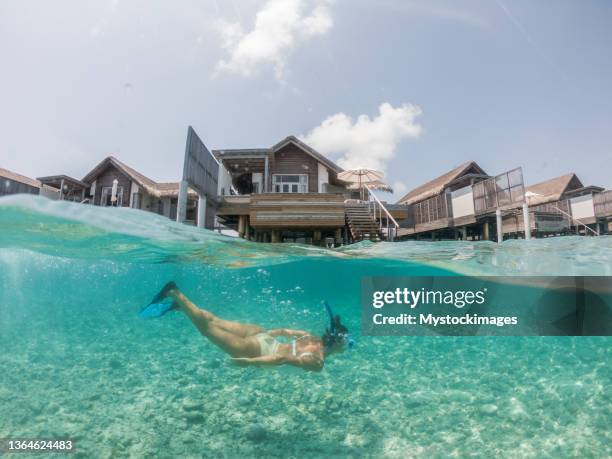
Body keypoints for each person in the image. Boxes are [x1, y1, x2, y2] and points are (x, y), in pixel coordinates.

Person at [140, 282, 352, 372]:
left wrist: (270, 333)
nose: (348, 346)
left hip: (261, 335)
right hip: (258, 350)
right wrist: (250, 362)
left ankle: (180, 306)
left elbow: (286, 331)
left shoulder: (312, 337)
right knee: (207, 329)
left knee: (213, 320)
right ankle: (174, 293)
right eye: (347, 343)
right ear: (337, 342)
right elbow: (281, 359)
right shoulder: (317, 362)